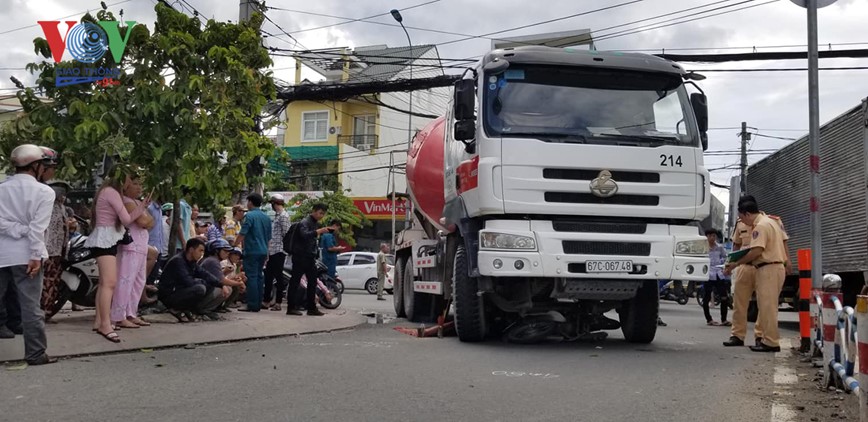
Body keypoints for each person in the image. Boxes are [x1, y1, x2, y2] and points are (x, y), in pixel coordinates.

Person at [0, 144, 58, 365]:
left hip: (2, 254)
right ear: (35, 166)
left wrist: (15, 229)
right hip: (27, 255)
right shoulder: (44, 192)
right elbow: (37, 229)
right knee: (31, 306)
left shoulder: (1, 188)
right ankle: (35, 354)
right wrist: (35, 254)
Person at [84, 167, 150, 343]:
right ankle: (106, 323)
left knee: (105, 283)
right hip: (105, 238)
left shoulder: (106, 192)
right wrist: (142, 206)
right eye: (130, 180)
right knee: (109, 283)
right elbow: (127, 219)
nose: (132, 184)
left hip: (107, 238)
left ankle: (100, 321)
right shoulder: (111, 193)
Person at [724, 198, 788, 352]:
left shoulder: (761, 225)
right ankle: (759, 338)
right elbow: (738, 245)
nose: (743, 222)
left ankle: (770, 342)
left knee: (767, 307)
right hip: (765, 267)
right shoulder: (769, 222)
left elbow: (756, 251)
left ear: (747, 214)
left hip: (768, 268)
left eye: (742, 217)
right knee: (764, 306)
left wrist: (736, 263)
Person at [110, 174, 154, 329]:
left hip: (141, 246)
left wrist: (146, 218)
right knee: (125, 281)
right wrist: (146, 219)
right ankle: (118, 315)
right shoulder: (126, 202)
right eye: (135, 184)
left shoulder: (137, 203)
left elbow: (150, 222)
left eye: (140, 184)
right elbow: (143, 221)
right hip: (130, 246)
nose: (139, 187)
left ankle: (131, 313)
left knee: (138, 281)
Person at [158, 238, 225, 321]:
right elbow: (188, 282)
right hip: (169, 295)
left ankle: (195, 310)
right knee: (200, 289)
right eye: (200, 251)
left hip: (180, 291)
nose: (201, 254)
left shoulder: (191, 262)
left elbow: (205, 274)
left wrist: (221, 284)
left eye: (203, 251)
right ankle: (176, 309)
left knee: (211, 285)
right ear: (191, 250)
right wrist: (203, 282)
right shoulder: (178, 261)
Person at [286, 203, 331, 316]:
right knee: (295, 282)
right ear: (314, 211)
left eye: (323, 214)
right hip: (300, 256)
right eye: (320, 213)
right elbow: (304, 235)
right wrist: (319, 232)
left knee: (312, 282)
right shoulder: (305, 222)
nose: (321, 216)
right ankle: (291, 307)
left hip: (309, 257)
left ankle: (311, 307)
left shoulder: (315, 223)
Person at [233, 193, 272, 312]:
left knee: (252, 277)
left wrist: (234, 245)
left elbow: (243, 233)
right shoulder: (266, 217)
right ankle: (258, 302)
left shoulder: (249, 216)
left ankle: (252, 304)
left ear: (250, 202)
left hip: (252, 251)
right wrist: (267, 252)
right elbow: (269, 237)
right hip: (263, 251)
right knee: (259, 276)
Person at [40, 180, 71, 321]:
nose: (63, 195)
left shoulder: (61, 207)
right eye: (60, 191)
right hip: (49, 251)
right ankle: (43, 311)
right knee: (47, 281)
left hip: (59, 251)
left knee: (53, 281)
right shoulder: (48, 206)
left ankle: (47, 310)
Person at [262, 194, 291, 311]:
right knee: (268, 276)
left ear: (275, 203)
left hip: (279, 250)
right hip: (273, 250)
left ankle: (278, 302)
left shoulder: (283, 216)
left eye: (272, 204)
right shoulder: (277, 216)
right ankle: (266, 300)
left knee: (278, 277)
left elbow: (286, 234)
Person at [201, 239, 246, 312]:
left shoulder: (214, 260)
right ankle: (205, 310)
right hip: (203, 290)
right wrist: (239, 283)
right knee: (225, 289)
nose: (227, 253)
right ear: (216, 251)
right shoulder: (212, 261)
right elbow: (222, 280)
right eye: (225, 251)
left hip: (206, 288)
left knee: (227, 287)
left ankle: (212, 308)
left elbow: (217, 278)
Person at [702, 228, 730, 326]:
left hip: (719, 274)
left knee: (724, 297)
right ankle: (709, 319)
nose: (712, 238)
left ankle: (724, 319)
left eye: (714, 236)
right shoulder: (703, 247)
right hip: (708, 274)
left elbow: (726, 258)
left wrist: (724, 267)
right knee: (706, 297)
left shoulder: (720, 247)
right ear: (706, 237)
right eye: (709, 236)